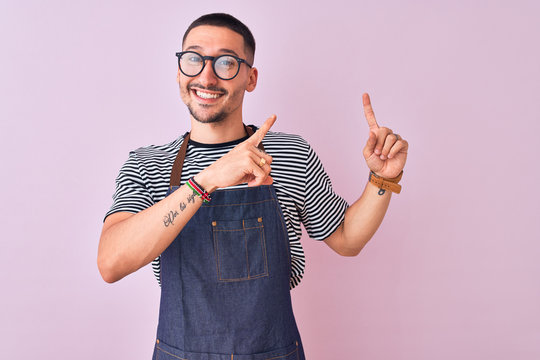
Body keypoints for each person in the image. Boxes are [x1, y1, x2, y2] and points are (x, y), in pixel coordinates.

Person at [98, 13, 408, 360]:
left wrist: (384, 178)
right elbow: (111, 263)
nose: (206, 75)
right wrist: (208, 179)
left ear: (251, 77)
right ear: (178, 72)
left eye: (226, 62)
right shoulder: (147, 164)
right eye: (193, 59)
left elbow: (348, 240)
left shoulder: (290, 154)